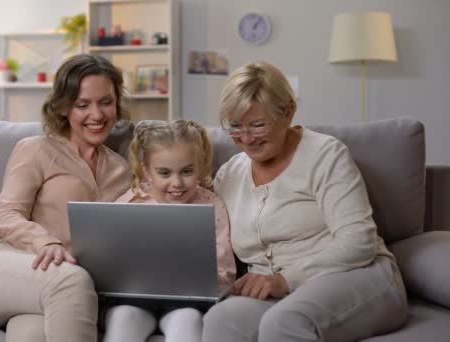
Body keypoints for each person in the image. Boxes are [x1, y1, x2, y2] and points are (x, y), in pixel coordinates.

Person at [202, 61, 408, 341]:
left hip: (355, 274)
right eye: (236, 126)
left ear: (288, 112)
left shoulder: (326, 155)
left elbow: (358, 241)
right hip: (273, 290)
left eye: (258, 125)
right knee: (220, 320)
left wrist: (286, 280)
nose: (247, 138)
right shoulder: (229, 174)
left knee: (283, 322)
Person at [0, 54, 132, 342]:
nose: (98, 115)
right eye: (83, 105)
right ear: (64, 107)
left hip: (52, 284)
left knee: (31, 334)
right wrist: (46, 241)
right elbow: (5, 218)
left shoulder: (122, 169)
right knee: (72, 281)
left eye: (106, 102)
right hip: (1, 265)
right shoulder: (35, 149)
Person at [103, 120, 236, 342]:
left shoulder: (211, 204)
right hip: (134, 302)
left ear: (200, 166)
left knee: (188, 321)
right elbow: (110, 262)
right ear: (146, 170)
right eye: (164, 173)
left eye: (187, 171)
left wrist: (204, 280)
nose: (177, 183)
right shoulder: (129, 203)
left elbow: (224, 271)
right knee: (121, 318)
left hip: (188, 302)